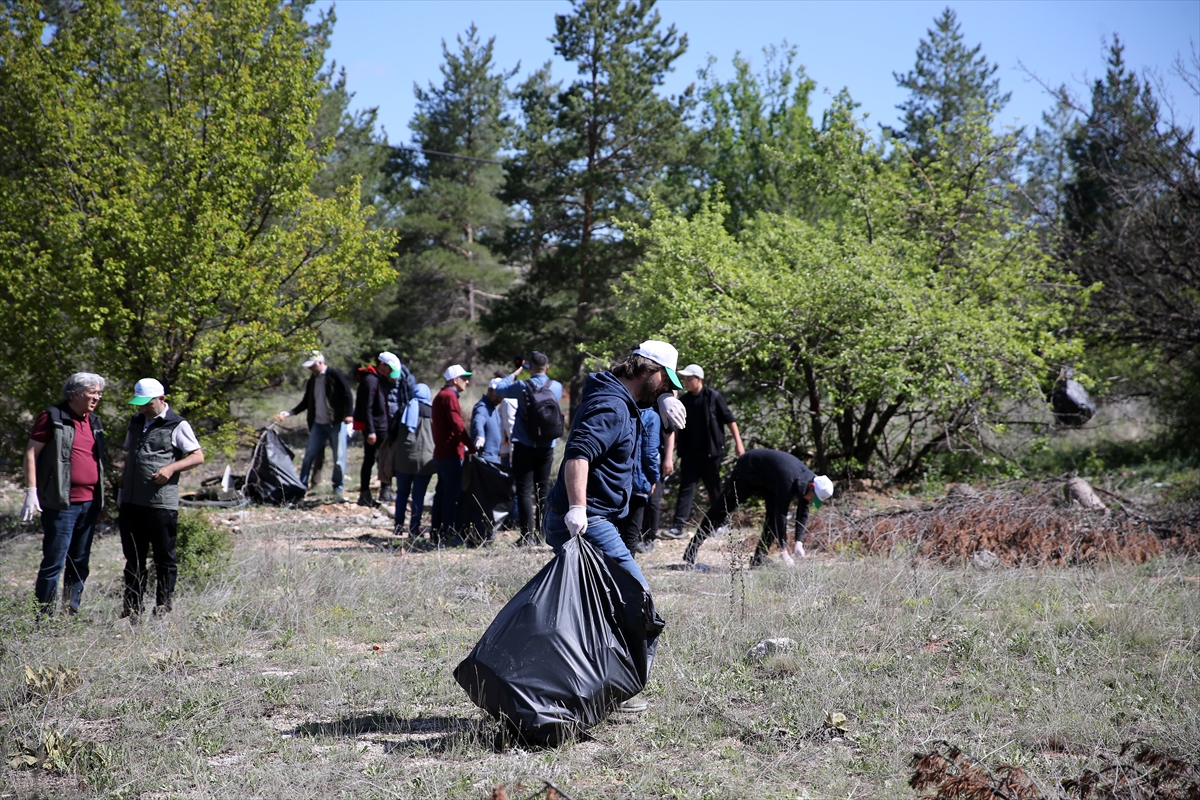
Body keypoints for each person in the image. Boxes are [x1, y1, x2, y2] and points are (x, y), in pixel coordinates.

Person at [543, 341, 687, 588]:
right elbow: (579, 455)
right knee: (635, 594)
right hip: (588, 518)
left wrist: (663, 396)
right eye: (666, 379)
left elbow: (650, 392)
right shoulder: (612, 406)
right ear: (646, 370)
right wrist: (577, 507)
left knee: (593, 599)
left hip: (596, 516)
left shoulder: (621, 396)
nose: (667, 387)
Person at [118, 378, 205, 617]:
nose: (143, 409)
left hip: (160, 503)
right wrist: (121, 491)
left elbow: (197, 456)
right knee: (133, 558)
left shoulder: (177, 424)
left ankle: (163, 608)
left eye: (147, 404)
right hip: (131, 502)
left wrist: (171, 468)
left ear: (162, 399)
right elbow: (129, 456)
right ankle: (132, 610)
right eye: (139, 404)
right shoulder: (136, 421)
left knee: (164, 558)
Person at [22, 373, 108, 615]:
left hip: (89, 504)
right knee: (54, 562)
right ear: (75, 393)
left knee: (79, 561)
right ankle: (44, 616)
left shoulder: (95, 421)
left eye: (99, 393)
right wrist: (31, 491)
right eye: (93, 392)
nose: (97, 397)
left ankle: (70, 611)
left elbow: (98, 463)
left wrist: (101, 501)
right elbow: (31, 452)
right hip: (61, 504)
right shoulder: (52, 416)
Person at [681, 449, 833, 568]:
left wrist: (799, 541)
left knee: (772, 519)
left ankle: (758, 559)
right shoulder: (790, 481)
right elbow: (782, 514)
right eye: (814, 498)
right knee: (723, 507)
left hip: (769, 480)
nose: (812, 501)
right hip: (749, 468)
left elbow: (803, 511)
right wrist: (783, 550)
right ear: (812, 486)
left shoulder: (809, 482)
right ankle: (692, 549)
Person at [662, 364, 745, 540]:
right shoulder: (684, 401)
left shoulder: (714, 397)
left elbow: (730, 420)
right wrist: (670, 452)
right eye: (684, 379)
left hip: (711, 454)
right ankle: (678, 527)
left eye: (689, 379)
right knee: (686, 489)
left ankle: (721, 524)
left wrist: (739, 444)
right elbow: (676, 428)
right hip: (690, 454)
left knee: (714, 489)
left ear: (699, 379)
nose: (685, 382)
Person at [493, 351, 564, 544]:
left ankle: (526, 536)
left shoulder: (522, 386)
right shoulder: (556, 386)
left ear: (529, 368)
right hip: (547, 446)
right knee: (543, 489)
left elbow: (499, 388)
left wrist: (515, 372)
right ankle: (543, 534)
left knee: (524, 490)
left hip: (524, 444)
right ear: (547, 368)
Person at [276, 351, 353, 499]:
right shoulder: (313, 379)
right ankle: (302, 485)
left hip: (335, 423)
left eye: (312, 365)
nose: (310, 369)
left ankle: (338, 487)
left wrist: (348, 414)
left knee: (338, 458)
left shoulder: (334, 374)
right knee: (309, 455)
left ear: (319, 363)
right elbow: (306, 401)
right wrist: (291, 412)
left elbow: (348, 394)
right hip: (319, 424)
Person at [430, 364, 475, 542]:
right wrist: (471, 447)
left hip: (441, 454)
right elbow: (458, 426)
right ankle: (447, 533)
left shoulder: (441, 396)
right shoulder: (449, 397)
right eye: (464, 378)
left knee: (441, 494)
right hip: (450, 455)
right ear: (455, 380)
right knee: (450, 496)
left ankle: (436, 533)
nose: (467, 381)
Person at [352, 354, 397, 507]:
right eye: (389, 368)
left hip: (380, 426)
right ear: (382, 365)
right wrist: (371, 431)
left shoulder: (377, 379)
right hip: (376, 428)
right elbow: (367, 407)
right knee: (373, 459)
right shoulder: (371, 380)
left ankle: (385, 491)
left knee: (382, 459)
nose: (390, 371)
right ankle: (367, 493)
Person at [392, 383, 435, 537]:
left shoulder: (404, 410)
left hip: (404, 458)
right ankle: (414, 528)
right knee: (419, 496)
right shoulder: (433, 411)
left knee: (402, 493)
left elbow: (392, 433)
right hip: (425, 460)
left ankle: (398, 527)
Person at [618, 405, 662, 556]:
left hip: (614, 482)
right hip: (637, 483)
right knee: (630, 537)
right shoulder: (651, 416)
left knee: (612, 535)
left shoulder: (618, 407)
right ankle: (625, 578)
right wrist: (654, 478)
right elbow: (650, 454)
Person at [376, 351, 416, 505]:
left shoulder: (408, 380)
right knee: (383, 456)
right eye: (391, 373)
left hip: (403, 424)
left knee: (404, 457)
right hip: (385, 424)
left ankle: (405, 490)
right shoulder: (379, 380)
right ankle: (385, 489)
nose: (393, 377)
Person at [470, 378, 505, 466]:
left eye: (503, 395)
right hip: (484, 460)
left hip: (493, 458)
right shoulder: (482, 407)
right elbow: (478, 420)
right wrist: (480, 435)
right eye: (498, 394)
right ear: (489, 390)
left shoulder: (493, 407)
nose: (500, 399)